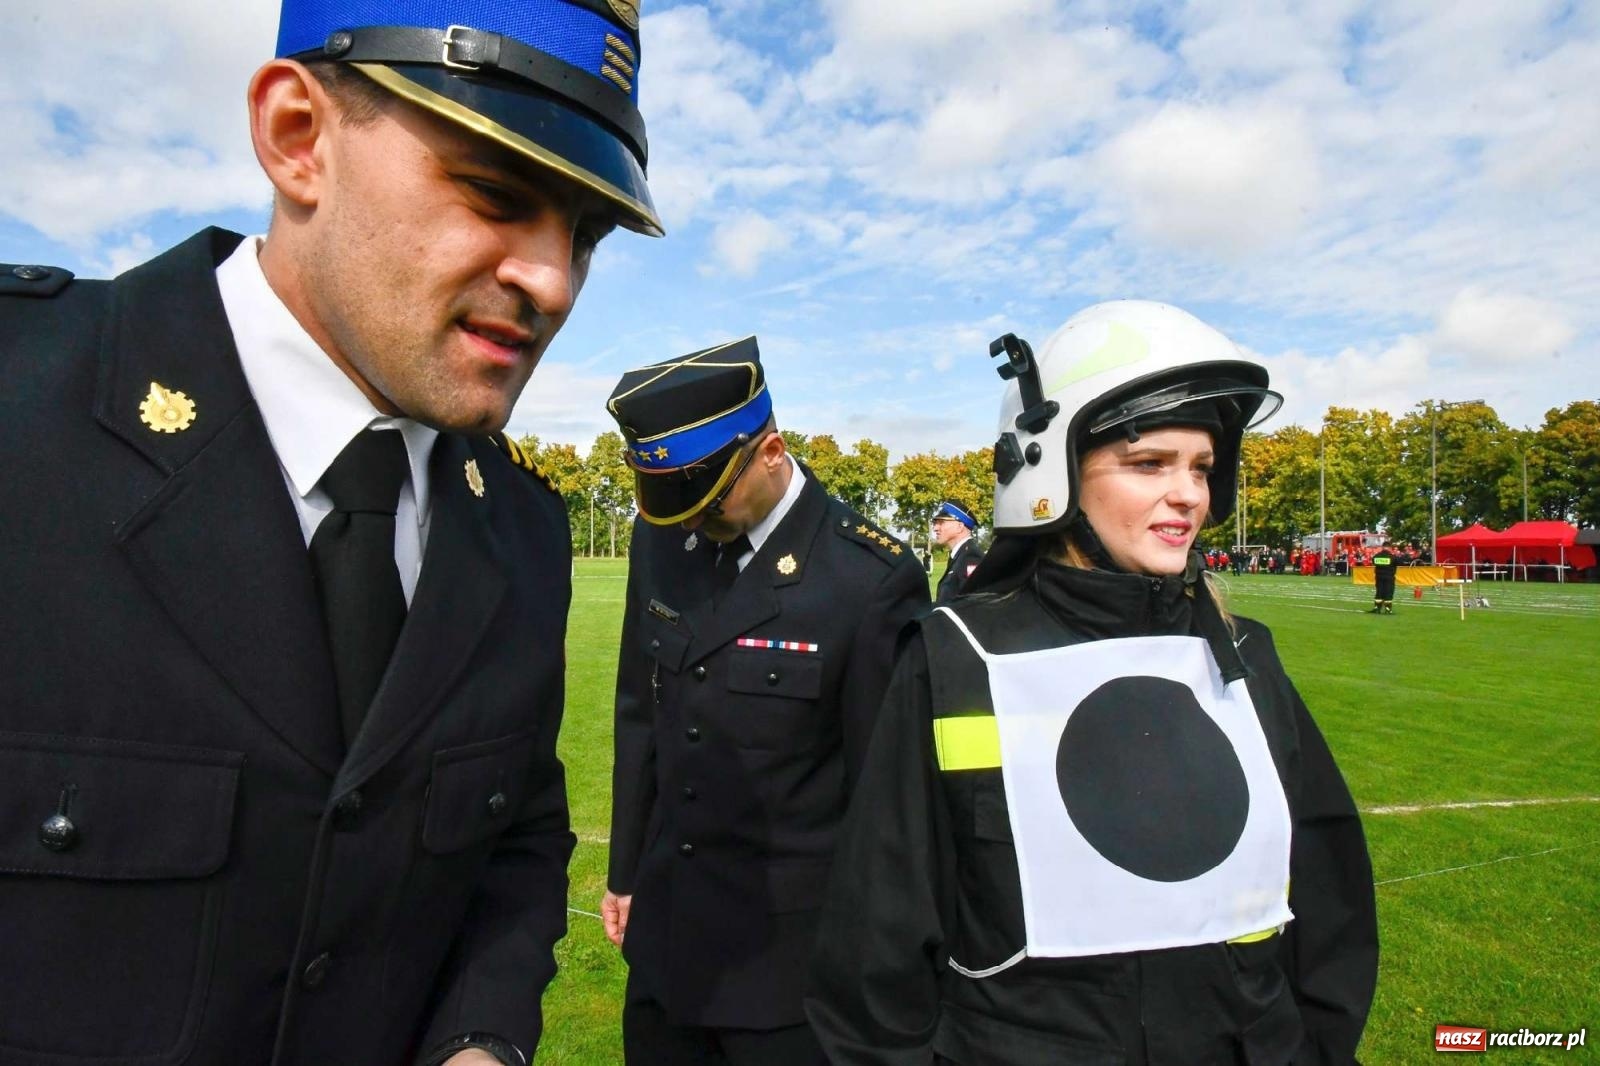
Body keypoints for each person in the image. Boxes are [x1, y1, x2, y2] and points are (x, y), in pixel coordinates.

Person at [0, 1, 662, 1062]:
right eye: (495, 193)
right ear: (297, 137)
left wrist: (480, 1038)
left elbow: (515, 842)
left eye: (584, 235)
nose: (553, 280)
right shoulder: (22, 411)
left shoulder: (522, 532)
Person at [806, 301, 1378, 1065]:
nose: (1190, 494)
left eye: (1202, 467)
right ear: (1051, 473)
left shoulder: (1245, 653)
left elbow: (1329, 900)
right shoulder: (956, 658)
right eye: (1151, 464)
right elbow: (878, 942)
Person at [602, 337, 930, 1065]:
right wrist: (625, 875)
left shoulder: (867, 577)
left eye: (709, 502)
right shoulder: (663, 540)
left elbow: (886, 801)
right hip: (665, 951)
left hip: (788, 975)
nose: (690, 523)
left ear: (771, 451)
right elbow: (639, 713)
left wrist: (877, 966)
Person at [932, 500, 986, 603]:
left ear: (960, 527)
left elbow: (972, 604)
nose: (935, 528)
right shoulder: (960, 555)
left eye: (941, 522)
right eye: (935, 523)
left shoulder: (971, 557)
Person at [1370, 544, 1398, 614]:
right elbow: (1399, 562)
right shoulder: (1392, 557)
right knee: (1388, 592)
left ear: (1382, 548)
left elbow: (1373, 562)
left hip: (1379, 577)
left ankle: (1377, 608)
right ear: (1389, 548)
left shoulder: (1376, 556)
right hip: (1389, 577)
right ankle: (1388, 609)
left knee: (1379, 592)